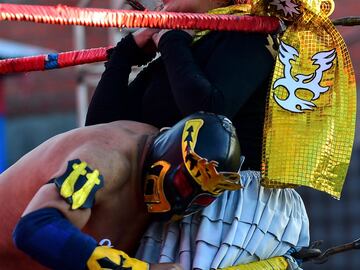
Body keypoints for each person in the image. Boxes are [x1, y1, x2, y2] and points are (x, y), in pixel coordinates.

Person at [0, 112, 308, 270]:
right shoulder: (103, 161)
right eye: (186, 186)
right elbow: (35, 229)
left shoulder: (152, 160)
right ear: (170, 156)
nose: (186, 201)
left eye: (201, 197)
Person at [85, 0, 276, 172]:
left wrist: (172, 42)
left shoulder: (251, 33)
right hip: (162, 203)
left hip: (231, 202)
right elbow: (99, 133)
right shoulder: (184, 41)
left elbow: (208, 118)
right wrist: (126, 53)